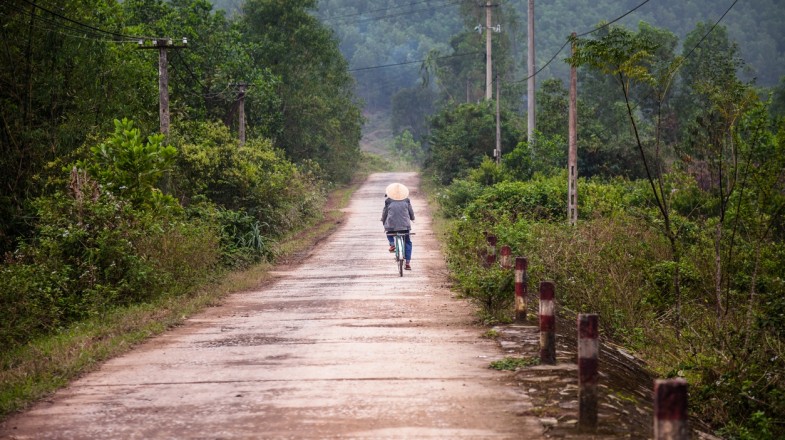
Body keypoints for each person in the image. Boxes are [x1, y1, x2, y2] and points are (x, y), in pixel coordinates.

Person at [381, 182, 415, 270]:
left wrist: (383, 221)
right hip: (405, 226)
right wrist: (412, 218)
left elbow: (385, 213)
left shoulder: (388, 201)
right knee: (407, 242)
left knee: (388, 232)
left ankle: (392, 244)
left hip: (392, 226)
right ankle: (407, 263)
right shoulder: (407, 200)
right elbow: (411, 212)